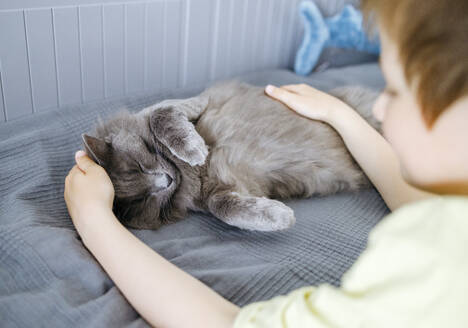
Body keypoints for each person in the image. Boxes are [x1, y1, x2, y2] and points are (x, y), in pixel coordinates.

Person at [64, 0, 468, 326]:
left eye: (395, 90)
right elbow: (425, 206)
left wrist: (93, 219)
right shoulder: (449, 223)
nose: (380, 102)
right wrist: (343, 115)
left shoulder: (431, 260)